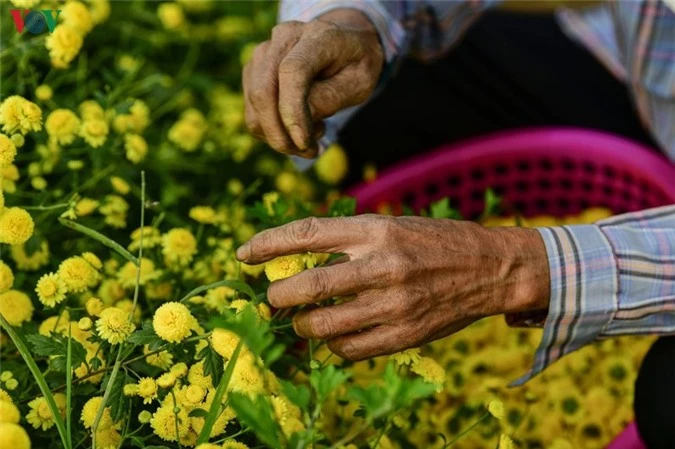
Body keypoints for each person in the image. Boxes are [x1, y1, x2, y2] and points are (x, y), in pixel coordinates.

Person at [238, 1, 675, 447]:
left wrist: (517, 269)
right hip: (634, 74)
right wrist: (353, 25)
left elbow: (521, 269)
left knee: (668, 398)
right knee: (376, 93)